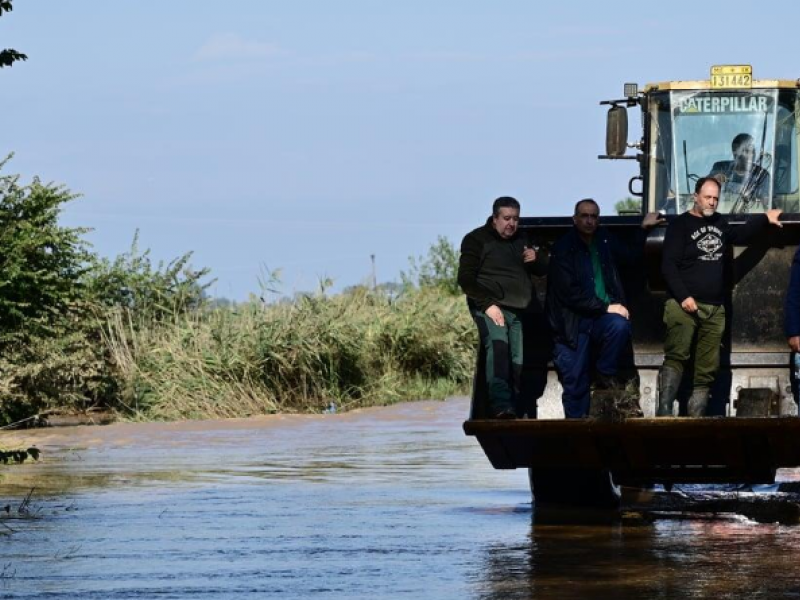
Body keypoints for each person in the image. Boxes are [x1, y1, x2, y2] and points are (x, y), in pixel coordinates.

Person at [658, 176, 783, 417]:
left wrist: (764, 218)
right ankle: (663, 412)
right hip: (683, 305)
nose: (712, 202)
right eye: (708, 197)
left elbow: (740, 236)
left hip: (715, 308)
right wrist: (684, 297)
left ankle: (697, 418)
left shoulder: (720, 223)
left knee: (707, 366)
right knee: (677, 355)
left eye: (716, 198)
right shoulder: (679, 226)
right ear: (695, 197)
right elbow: (668, 266)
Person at [545, 199, 664, 418]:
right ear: (575, 219)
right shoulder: (563, 248)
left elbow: (630, 256)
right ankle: (577, 429)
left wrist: (643, 229)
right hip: (572, 324)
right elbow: (570, 295)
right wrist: (607, 307)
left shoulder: (605, 240)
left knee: (620, 326)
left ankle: (605, 373)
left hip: (600, 319)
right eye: (584, 216)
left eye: (594, 216)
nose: (589, 221)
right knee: (575, 383)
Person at [458, 196, 544, 419]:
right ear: (494, 218)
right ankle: (499, 406)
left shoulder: (522, 240)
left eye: (515, 218)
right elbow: (465, 279)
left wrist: (537, 259)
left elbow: (542, 270)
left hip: (517, 309)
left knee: (517, 359)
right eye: (506, 218)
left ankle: (511, 407)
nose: (511, 224)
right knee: (499, 350)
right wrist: (488, 306)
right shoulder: (476, 240)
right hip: (490, 307)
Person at [709, 133, 771, 214]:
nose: (751, 154)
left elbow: (768, 203)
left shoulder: (762, 175)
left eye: (753, 151)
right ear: (735, 152)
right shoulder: (721, 168)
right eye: (746, 151)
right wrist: (713, 180)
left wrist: (764, 199)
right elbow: (703, 188)